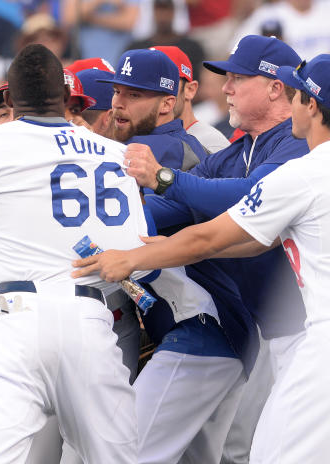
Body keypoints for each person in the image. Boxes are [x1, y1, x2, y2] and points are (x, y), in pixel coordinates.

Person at [73, 52, 330, 464]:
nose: (224, 88)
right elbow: (248, 240)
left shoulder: (302, 166)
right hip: (280, 334)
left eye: (236, 78)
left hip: (296, 335)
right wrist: (150, 246)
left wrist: (134, 252)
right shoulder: (237, 154)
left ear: (309, 104)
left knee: (267, 454)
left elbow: (213, 234)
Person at [0, 43, 140, 464]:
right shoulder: (115, 153)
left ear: (11, 101)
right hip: (88, 316)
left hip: (10, 319)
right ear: (68, 98)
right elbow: (134, 250)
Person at [100, 48, 208, 170]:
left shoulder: (172, 152)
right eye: (117, 91)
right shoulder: (188, 144)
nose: (117, 103)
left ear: (166, 104)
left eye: (134, 95)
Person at [153, 45, 230, 153]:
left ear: (190, 89)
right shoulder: (131, 138)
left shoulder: (211, 144)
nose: (153, 95)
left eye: (166, 85)